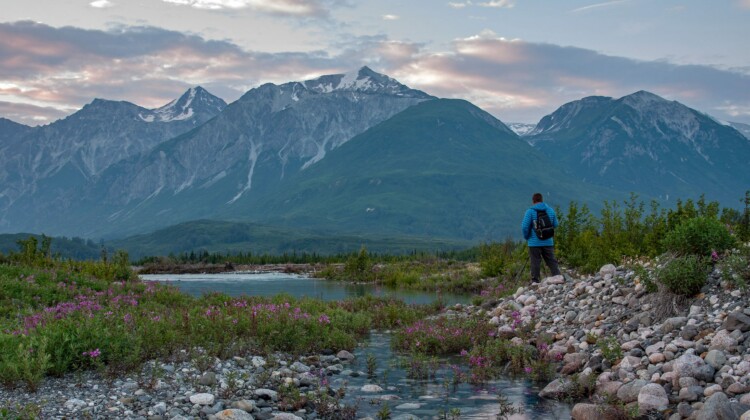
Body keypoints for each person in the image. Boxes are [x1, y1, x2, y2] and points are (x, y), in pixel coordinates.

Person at [521, 192, 561, 283]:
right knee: (551, 260)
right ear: (542, 200)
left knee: (535, 262)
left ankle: (535, 281)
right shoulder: (550, 210)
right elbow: (555, 224)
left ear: (533, 201)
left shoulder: (530, 212)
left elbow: (524, 226)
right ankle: (558, 277)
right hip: (548, 241)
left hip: (534, 242)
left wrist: (527, 237)